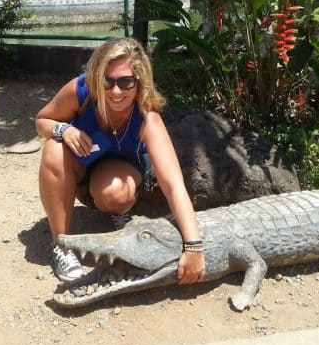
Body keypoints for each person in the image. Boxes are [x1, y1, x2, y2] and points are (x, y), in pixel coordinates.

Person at [36, 37, 206, 284]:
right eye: (107, 80)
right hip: (81, 163)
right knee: (53, 148)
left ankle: (118, 211)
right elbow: (42, 121)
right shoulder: (80, 91)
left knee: (116, 194)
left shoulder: (148, 119)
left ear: (139, 82)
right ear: (96, 78)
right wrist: (65, 130)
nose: (116, 91)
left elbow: (173, 185)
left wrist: (193, 246)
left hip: (120, 169)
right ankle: (61, 244)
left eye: (126, 82)